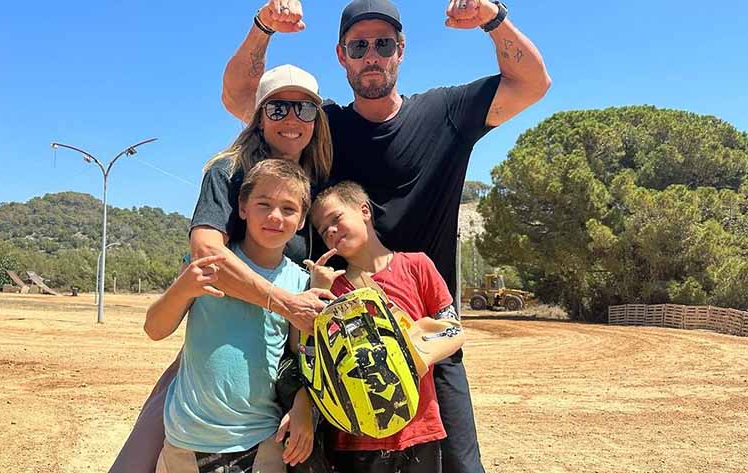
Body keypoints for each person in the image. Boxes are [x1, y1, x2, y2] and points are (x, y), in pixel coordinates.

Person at [220, 1, 551, 472]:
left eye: (383, 44)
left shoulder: (446, 112)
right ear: (342, 55)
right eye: (359, 46)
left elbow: (533, 85)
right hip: (341, 349)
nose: (371, 55)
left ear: (401, 51)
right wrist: (262, 28)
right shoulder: (322, 127)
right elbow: (240, 99)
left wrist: (492, 19)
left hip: (429, 344)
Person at [109, 64, 336, 473]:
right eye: (278, 108)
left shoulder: (315, 183)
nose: (291, 118)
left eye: (304, 109)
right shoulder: (228, 171)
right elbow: (206, 254)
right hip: (206, 374)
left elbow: (299, 347)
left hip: (265, 405)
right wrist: (282, 302)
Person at [144, 159, 315, 473]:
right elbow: (154, 329)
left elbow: (296, 358)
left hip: (262, 442)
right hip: (185, 442)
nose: (275, 216)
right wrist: (183, 289)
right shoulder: (207, 265)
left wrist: (304, 404)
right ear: (242, 207)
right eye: (263, 204)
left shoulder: (300, 283)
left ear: (303, 220)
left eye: (289, 209)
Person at [306, 181, 461, 473]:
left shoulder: (416, 265)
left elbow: (454, 328)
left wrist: (417, 356)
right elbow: (309, 356)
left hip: (420, 429)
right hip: (356, 438)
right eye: (323, 230)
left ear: (364, 211)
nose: (331, 232)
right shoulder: (331, 288)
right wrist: (318, 296)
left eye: (336, 219)